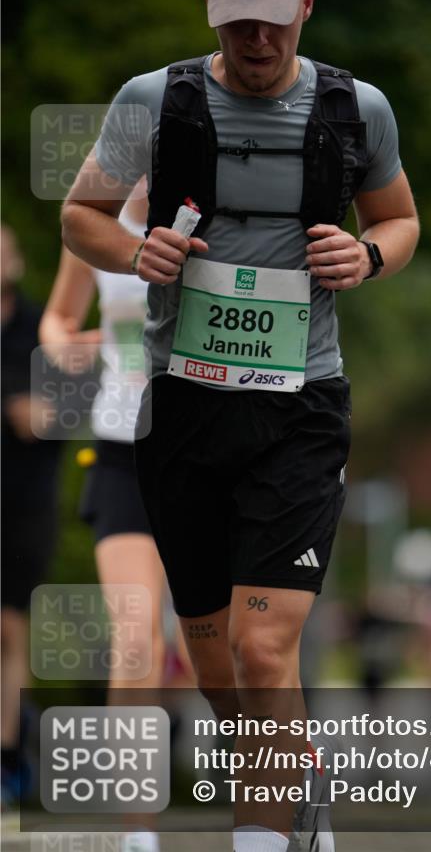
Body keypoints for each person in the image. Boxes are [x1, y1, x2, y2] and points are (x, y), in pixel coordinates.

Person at [60, 0, 419, 852]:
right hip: (183, 408)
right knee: (221, 674)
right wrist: (135, 252)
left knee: (265, 652)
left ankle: (264, 836)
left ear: (306, 7)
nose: (256, 39)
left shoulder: (357, 109)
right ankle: (300, 783)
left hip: (300, 408)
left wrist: (369, 255)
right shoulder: (153, 100)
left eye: (273, 20)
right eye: (236, 22)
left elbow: (400, 219)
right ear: (210, 14)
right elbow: (80, 216)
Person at [40, 182, 192, 852]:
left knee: (224, 653)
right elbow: (57, 319)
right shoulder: (93, 224)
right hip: (120, 453)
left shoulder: (213, 214)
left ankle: (274, 807)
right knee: (135, 644)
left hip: (203, 460)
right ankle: (137, 829)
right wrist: (64, 345)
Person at [1, 225, 62, 807]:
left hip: (24, 501)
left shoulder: (43, 327)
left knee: (8, 627)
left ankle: (8, 756)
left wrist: (47, 414)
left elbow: (76, 402)